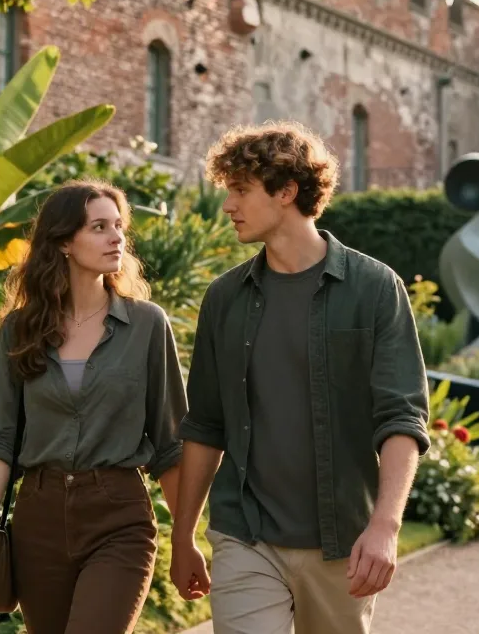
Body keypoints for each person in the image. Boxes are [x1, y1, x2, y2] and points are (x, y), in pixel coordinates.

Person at [170, 121, 431, 634]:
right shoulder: (225, 299)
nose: (228, 205)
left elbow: (401, 417)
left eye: (241, 190)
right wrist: (183, 538)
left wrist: (385, 526)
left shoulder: (374, 289)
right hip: (246, 535)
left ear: (287, 191)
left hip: (342, 539)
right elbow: (205, 425)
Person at [0, 179, 187, 634]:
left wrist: (185, 539)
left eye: (119, 226)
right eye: (99, 227)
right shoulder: (20, 329)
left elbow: (171, 443)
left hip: (118, 517)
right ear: (65, 242)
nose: (117, 237)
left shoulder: (146, 325)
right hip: (37, 520)